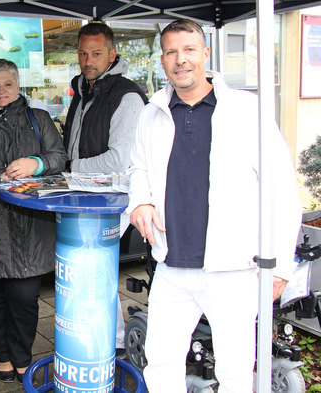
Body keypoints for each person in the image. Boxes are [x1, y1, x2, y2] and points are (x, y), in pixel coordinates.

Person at [127, 19, 301, 392]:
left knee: (237, 371)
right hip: (171, 264)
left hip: (233, 269)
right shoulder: (151, 112)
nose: (181, 60)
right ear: (162, 61)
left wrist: (282, 266)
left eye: (189, 50)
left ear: (206, 54)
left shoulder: (246, 109)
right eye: (172, 52)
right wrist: (139, 201)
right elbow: (137, 167)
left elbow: (282, 190)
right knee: (160, 362)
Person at [0, 59, 66, 383]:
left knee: (24, 298)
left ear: (17, 85)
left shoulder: (40, 118)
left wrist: (35, 163)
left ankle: (22, 355)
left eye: (7, 84)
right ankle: (2, 355)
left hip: (30, 225)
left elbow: (59, 157)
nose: (0, 91)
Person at [62, 21, 148, 356]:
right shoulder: (85, 90)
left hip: (114, 200)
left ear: (112, 54)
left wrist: (71, 168)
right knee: (89, 272)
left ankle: (111, 342)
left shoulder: (125, 95)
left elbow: (118, 160)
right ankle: (100, 336)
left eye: (96, 53)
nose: (88, 60)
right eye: (83, 53)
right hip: (87, 197)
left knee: (95, 272)